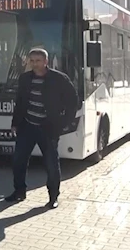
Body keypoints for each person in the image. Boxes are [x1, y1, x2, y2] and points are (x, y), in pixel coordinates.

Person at [6, 48, 78, 209]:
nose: (34, 64)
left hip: (48, 128)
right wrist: (15, 123)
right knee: (18, 160)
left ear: (46, 62)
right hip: (27, 126)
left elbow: (73, 102)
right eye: (32, 60)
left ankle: (53, 197)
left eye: (38, 61)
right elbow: (20, 102)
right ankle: (19, 192)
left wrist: (61, 124)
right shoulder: (25, 79)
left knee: (51, 164)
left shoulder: (59, 79)